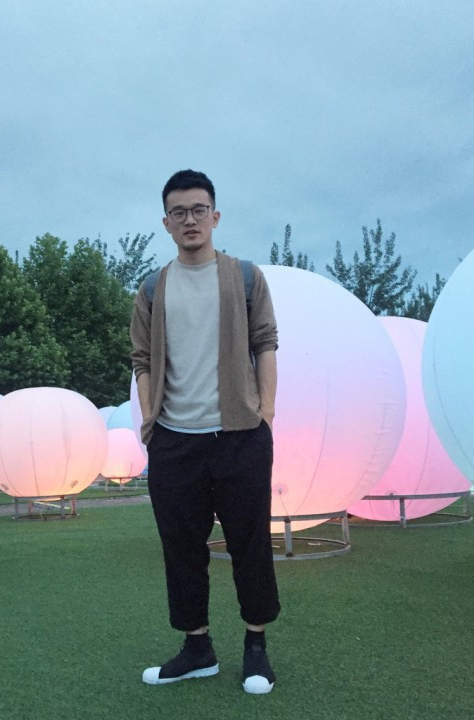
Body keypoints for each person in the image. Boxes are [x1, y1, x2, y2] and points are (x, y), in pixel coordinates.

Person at [130, 169, 280, 695]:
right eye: (179, 212)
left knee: (250, 544)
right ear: (166, 223)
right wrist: (150, 424)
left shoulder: (245, 277)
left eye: (198, 210)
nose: (189, 220)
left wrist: (266, 413)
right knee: (181, 548)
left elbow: (265, 343)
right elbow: (142, 360)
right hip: (174, 440)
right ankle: (197, 648)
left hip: (240, 435)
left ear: (214, 216)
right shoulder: (153, 287)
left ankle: (256, 646)